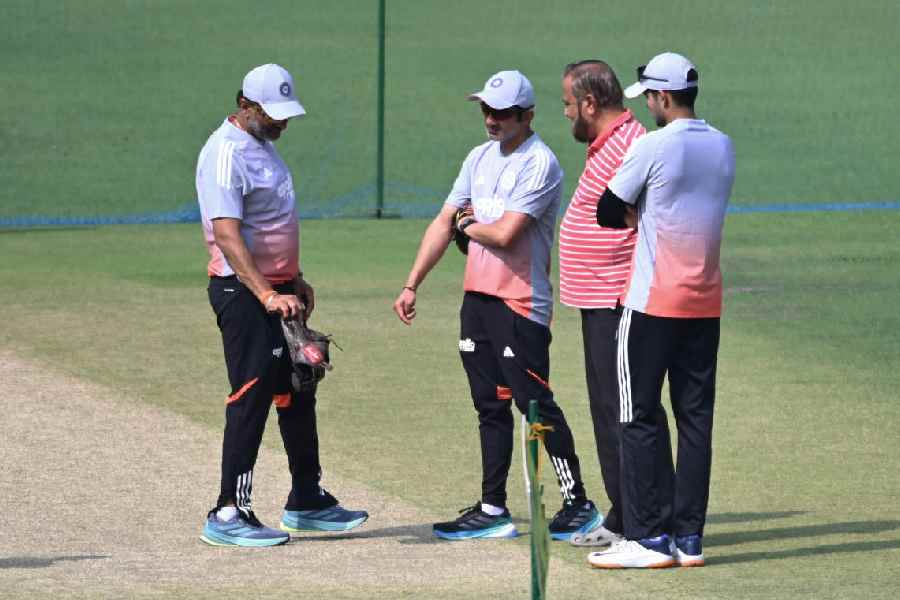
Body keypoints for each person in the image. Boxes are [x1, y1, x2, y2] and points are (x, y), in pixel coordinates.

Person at [392, 70, 600, 541]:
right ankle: (492, 508)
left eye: (502, 112)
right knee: (489, 405)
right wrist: (412, 284)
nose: (491, 119)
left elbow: (506, 234)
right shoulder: (478, 157)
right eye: (486, 109)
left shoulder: (540, 163)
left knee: (534, 403)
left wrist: (466, 225)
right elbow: (444, 221)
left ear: (527, 115)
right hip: (478, 302)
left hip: (521, 304)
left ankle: (578, 503)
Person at [195, 63, 368, 547]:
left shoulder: (263, 146)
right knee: (251, 395)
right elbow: (228, 236)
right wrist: (268, 293)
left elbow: (269, 222)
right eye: (273, 113)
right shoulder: (225, 153)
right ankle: (229, 510)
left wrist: (295, 277)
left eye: (286, 113)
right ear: (245, 106)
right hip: (245, 293)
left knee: (298, 386)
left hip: (280, 291)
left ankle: (307, 499)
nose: (282, 122)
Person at [587, 52, 735, 568]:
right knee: (695, 421)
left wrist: (643, 212)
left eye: (650, 96)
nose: (648, 105)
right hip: (706, 304)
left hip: (651, 303)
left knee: (637, 416)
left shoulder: (652, 145)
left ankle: (648, 538)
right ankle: (688, 539)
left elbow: (608, 209)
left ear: (664, 97)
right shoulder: (723, 145)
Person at [558, 61, 675, 548]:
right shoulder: (607, 145)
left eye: (568, 104)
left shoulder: (631, 144)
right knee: (609, 409)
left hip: (619, 300)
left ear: (589, 103)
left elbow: (648, 221)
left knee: (628, 410)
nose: (566, 113)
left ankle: (647, 518)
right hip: (598, 299)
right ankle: (628, 512)